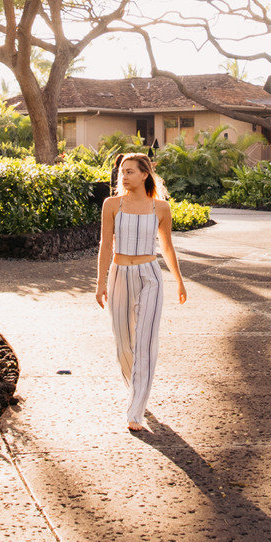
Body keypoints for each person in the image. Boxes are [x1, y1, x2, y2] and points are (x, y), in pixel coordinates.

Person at [95, 152, 188, 432]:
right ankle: (137, 387)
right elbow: (105, 245)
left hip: (150, 276)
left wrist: (180, 281)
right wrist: (100, 283)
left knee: (145, 342)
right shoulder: (112, 204)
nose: (123, 176)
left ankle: (135, 409)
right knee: (124, 343)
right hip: (119, 274)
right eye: (122, 172)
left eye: (130, 171)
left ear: (145, 174)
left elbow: (168, 247)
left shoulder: (160, 208)